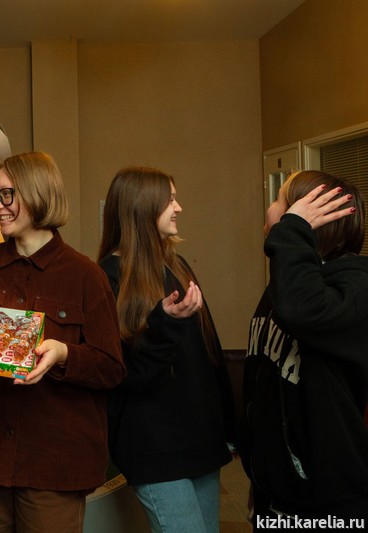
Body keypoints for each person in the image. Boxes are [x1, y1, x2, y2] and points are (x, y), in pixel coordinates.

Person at [0, 151, 125, 533]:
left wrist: (63, 354)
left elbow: (111, 367)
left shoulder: (85, 276)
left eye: (6, 195)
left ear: (38, 193)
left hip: (53, 463)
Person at [97, 167, 235, 533]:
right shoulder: (108, 278)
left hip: (201, 443)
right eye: (169, 199)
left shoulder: (177, 265)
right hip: (155, 451)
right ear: (142, 207)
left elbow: (208, 356)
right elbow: (125, 374)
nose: (179, 207)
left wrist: (230, 430)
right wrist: (164, 325)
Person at [240, 170, 368, 523]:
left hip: (329, 501)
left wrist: (292, 228)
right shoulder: (290, 283)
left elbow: (304, 310)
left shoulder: (356, 286)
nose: (271, 208)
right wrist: (260, 477)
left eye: (280, 201)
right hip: (275, 495)